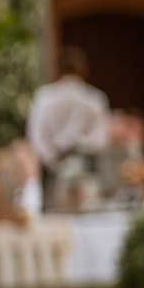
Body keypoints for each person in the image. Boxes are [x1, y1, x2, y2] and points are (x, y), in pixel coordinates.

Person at [26, 47, 111, 206]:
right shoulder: (95, 99)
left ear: (57, 69)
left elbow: (36, 139)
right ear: (84, 70)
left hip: (55, 173)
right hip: (84, 175)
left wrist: (52, 161)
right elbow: (100, 140)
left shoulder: (44, 97)